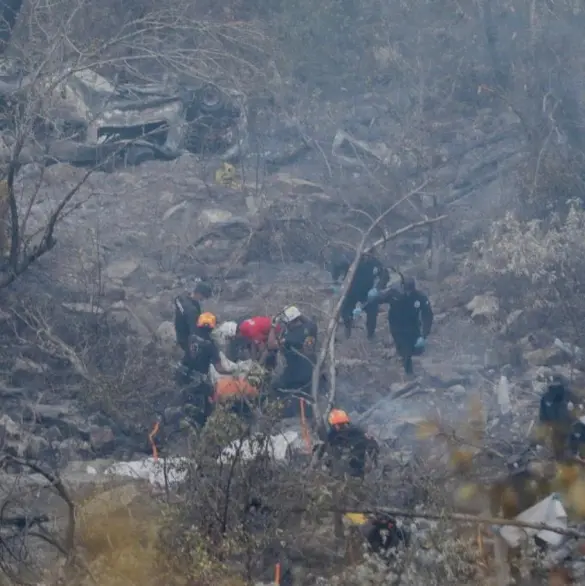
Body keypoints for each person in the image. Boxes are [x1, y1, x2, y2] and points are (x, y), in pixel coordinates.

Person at [358, 276, 433, 376]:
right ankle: (409, 373)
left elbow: (428, 315)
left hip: (412, 325)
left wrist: (424, 335)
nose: (408, 293)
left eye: (410, 291)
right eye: (406, 290)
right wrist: (362, 306)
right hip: (397, 326)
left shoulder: (419, 297)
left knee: (417, 349)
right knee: (405, 349)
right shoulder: (394, 293)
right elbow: (379, 299)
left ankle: (406, 359)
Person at [177, 311, 231, 426]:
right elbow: (219, 368)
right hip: (199, 380)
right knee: (210, 400)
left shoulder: (191, 337)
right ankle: (204, 425)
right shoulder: (211, 346)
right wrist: (232, 372)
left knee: (182, 397)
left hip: (182, 373)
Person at [330, 251, 390, 339]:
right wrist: (335, 279)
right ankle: (348, 326)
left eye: (370, 256)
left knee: (372, 312)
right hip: (351, 291)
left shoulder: (375, 262)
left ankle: (371, 334)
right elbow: (337, 265)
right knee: (346, 312)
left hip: (367, 291)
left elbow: (385, 275)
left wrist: (377, 288)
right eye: (366, 256)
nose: (368, 258)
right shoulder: (351, 260)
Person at [315, 408, 379, 479]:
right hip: (341, 462)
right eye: (337, 425)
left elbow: (373, 445)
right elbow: (326, 445)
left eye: (342, 424)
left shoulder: (357, 431)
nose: (340, 427)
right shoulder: (333, 433)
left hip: (358, 463)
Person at [270, 306, 318, 394]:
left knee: (274, 387)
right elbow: (306, 321)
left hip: (296, 375)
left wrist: (273, 326)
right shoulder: (312, 327)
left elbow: (271, 345)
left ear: (289, 322)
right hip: (313, 370)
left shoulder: (289, 338)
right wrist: (295, 312)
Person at [539, 375, 582, 460]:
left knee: (573, 447)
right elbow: (543, 415)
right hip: (556, 427)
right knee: (557, 447)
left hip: (570, 425)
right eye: (552, 386)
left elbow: (579, 404)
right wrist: (547, 427)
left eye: (557, 386)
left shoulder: (568, 393)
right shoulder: (545, 398)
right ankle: (560, 460)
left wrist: (575, 411)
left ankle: (574, 458)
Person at [174, 280, 213, 353]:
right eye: (204, 297)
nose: (204, 300)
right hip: (185, 339)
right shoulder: (192, 310)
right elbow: (194, 332)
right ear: (199, 294)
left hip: (179, 331)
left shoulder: (182, 299)